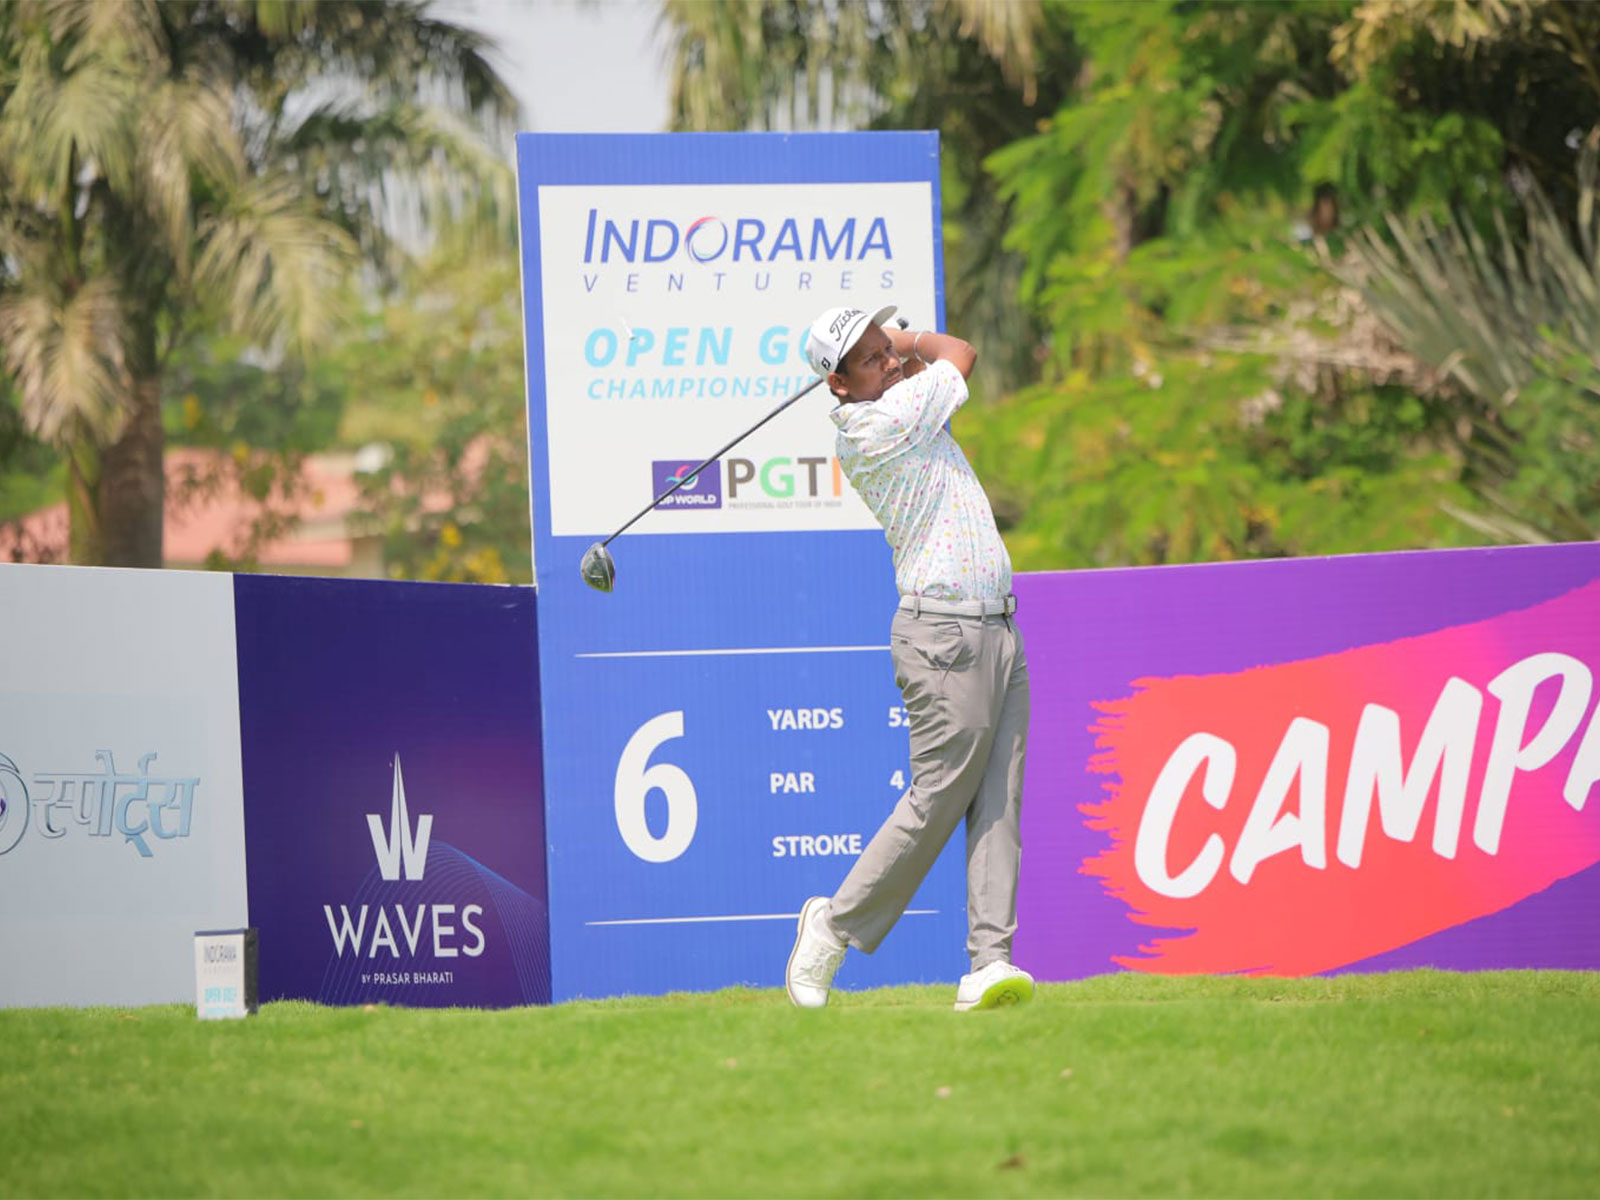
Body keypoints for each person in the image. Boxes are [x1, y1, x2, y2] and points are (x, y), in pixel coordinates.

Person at [785, 303, 1033, 1012]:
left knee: (998, 798)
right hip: (944, 636)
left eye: (884, 349)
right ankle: (832, 927)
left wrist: (887, 354)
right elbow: (960, 351)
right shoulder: (879, 426)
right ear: (838, 385)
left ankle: (990, 962)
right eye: (869, 358)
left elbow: (926, 369)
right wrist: (909, 339)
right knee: (937, 798)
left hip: (999, 629)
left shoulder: (895, 400)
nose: (888, 362)